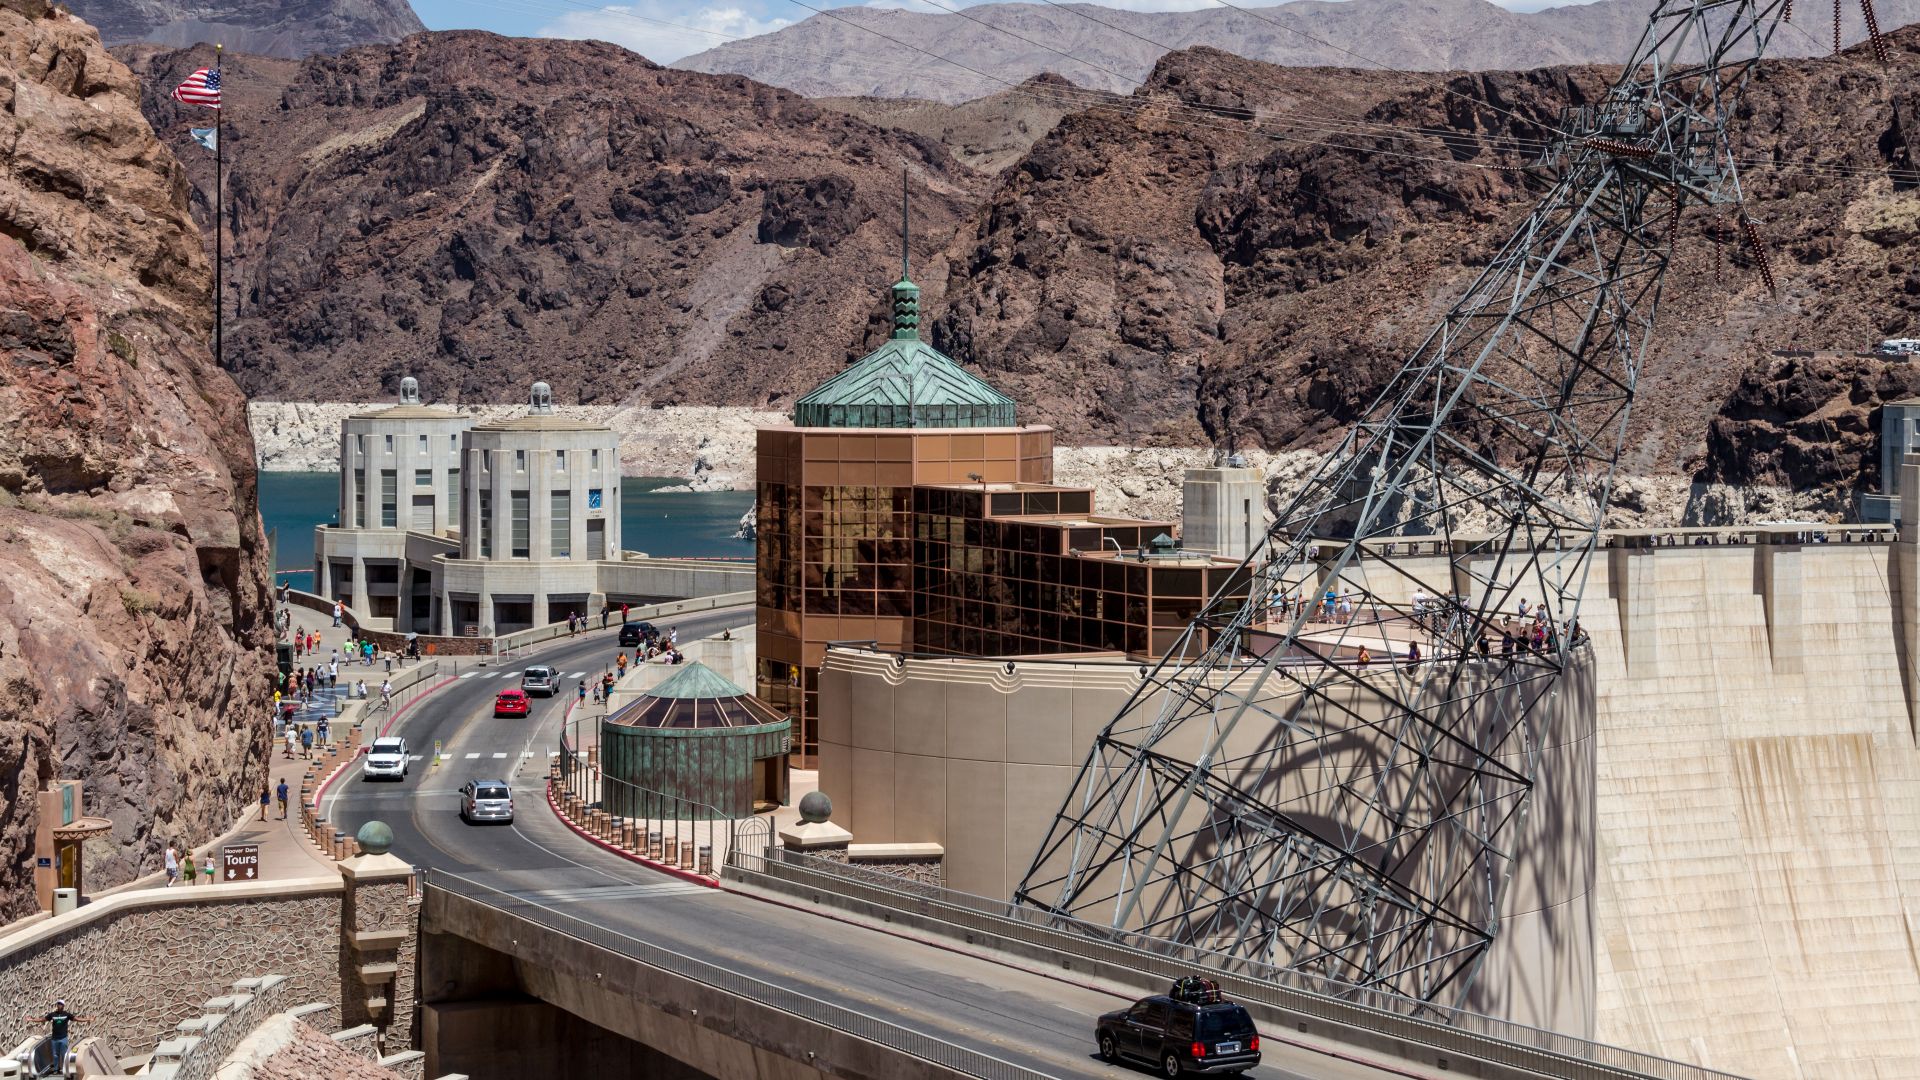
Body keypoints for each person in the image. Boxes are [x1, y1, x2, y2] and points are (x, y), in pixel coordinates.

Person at [27, 1000, 90, 1070]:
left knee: (64, 1054)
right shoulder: (52, 1014)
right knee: (55, 1055)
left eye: (61, 1004)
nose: (59, 1005)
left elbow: (77, 1019)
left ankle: (63, 1069)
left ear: (63, 1006)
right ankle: (56, 1069)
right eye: (58, 1004)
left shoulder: (67, 1014)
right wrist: (32, 1020)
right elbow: (42, 1019)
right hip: (54, 1039)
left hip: (63, 1038)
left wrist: (88, 1019)